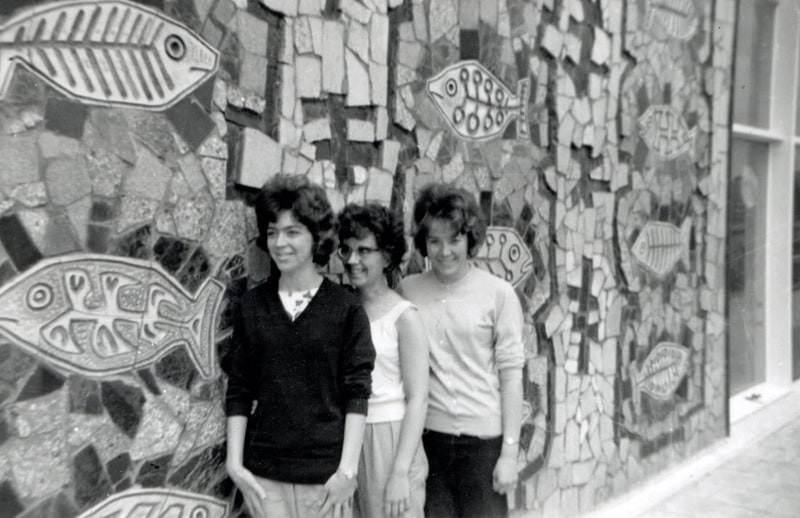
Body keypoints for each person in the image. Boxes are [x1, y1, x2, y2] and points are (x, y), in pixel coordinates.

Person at [223, 175, 375, 518]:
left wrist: (347, 472)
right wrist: (235, 463)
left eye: (293, 232)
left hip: (325, 480)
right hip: (264, 477)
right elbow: (240, 388)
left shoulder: (346, 309)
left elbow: (357, 393)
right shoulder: (252, 306)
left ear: (316, 236)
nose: (280, 243)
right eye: (273, 232)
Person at [399, 183, 524, 518]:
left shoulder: (499, 294)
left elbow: (511, 377)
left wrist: (509, 454)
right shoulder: (408, 291)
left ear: (470, 239)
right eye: (434, 240)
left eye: (454, 239)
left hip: (484, 444)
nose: (444, 251)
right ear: (423, 242)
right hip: (430, 444)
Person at [337, 203, 429, 518]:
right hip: (349, 437)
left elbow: (419, 398)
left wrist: (400, 472)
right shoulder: (343, 312)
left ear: (387, 256)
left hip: (390, 441)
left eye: (364, 251)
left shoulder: (404, 317)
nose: (352, 260)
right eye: (346, 250)